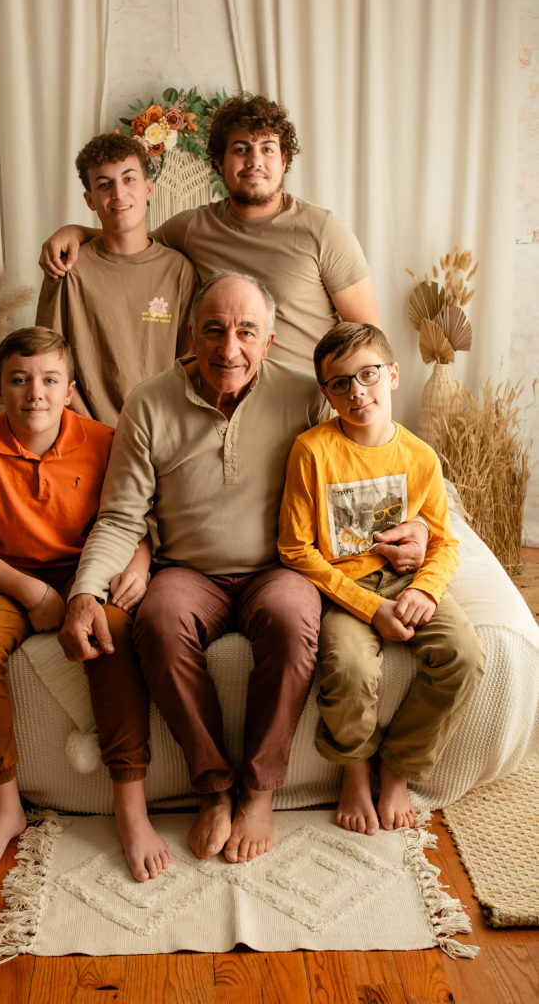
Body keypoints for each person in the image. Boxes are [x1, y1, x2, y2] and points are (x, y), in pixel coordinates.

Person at [58, 273, 426, 864]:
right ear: (191, 335)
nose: (229, 349)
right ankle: (215, 787)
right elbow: (121, 516)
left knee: (290, 617)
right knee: (158, 620)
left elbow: (366, 463)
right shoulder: (149, 403)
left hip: (279, 566)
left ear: (271, 339)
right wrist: (84, 591)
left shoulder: (306, 395)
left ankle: (258, 789)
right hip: (189, 570)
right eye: (214, 330)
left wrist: (420, 529)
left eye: (246, 331)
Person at [0, 327, 169, 883]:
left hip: (88, 571)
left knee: (114, 634)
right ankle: (3, 807)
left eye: (49, 380)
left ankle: (130, 803)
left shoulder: (105, 439)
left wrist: (139, 566)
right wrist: (35, 593)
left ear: (69, 388)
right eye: (19, 380)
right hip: (7, 578)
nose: (35, 393)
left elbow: (132, 518)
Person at [277, 323, 486, 835]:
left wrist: (424, 589)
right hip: (343, 591)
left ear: (392, 374)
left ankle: (399, 768)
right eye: (340, 383)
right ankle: (353, 771)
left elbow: (444, 540)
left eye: (368, 374)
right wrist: (370, 609)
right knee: (349, 670)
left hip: (404, 581)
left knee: (464, 656)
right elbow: (294, 547)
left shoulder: (419, 456)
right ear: (325, 392)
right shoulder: (312, 450)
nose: (358, 392)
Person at [38, 94, 381, 375]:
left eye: (267, 148)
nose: (254, 161)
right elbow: (132, 241)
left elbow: (368, 338)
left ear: (284, 158)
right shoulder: (192, 228)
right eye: (241, 148)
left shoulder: (324, 230)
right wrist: (75, 231)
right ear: (220, 162)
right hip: (221, 408)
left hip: (305, 407)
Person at [36, 132, 197, 426]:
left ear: (149, 188)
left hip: (162, 431)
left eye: (129, 179)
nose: (119, 194)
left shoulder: (180, 270)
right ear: (90, 200)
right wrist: (93, 430)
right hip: (88, 433)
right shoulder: (68, 268)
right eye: (104, 184)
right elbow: (48, 364)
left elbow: (190, 362)